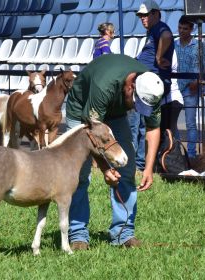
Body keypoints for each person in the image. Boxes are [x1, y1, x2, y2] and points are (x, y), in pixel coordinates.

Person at [66, 54, 164, 249]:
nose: (137, 108)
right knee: (80, 174)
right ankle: (78, 234)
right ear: (130, 87)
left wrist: (148, 168)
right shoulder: (105, 85)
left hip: (114, 114)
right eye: (136, 103)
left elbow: (153, 128)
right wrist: (105, 169)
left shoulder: (151, 88)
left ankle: (123, 233)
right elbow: (92, 133)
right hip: (82, 114)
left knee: (126, 168)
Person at [131, 0, 174, 171]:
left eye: (146, 15)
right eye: (141, 16)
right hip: (145, 83)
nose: (143, 18)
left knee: (145, 125)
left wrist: (158, 57)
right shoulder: (152, 31)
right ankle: (139, 163)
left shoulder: (160, 28)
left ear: (156, 14)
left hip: (150, 85)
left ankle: (141, 165)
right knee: (141, 125)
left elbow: (167, 36)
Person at [175, 15, 205, 158]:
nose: (181, 31)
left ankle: (191, 154)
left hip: (191, 89)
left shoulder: (199, 46)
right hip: (175, 87)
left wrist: (197, 81)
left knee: (190, 123)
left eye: (185, 28)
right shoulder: (173, 44)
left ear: (191, 29)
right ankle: (177, 151)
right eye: (180, 28)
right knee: (173, 122)